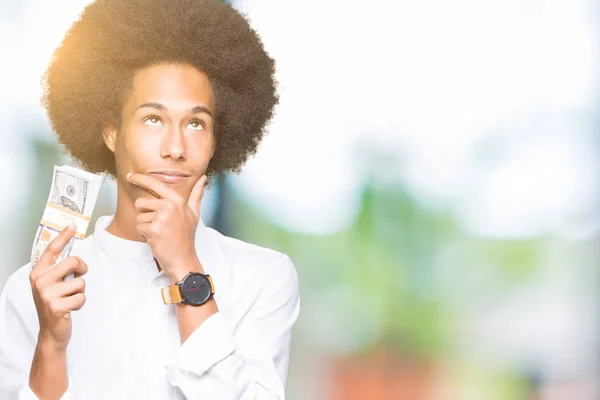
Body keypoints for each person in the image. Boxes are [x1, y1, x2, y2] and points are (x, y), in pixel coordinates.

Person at [0, 0, 300, 399]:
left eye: (196, 123)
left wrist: (186, 271)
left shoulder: (263, 278)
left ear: (215, 142)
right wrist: (51, 346)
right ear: (112, 133)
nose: (175, 148)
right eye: (153, 119)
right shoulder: (34, 289)